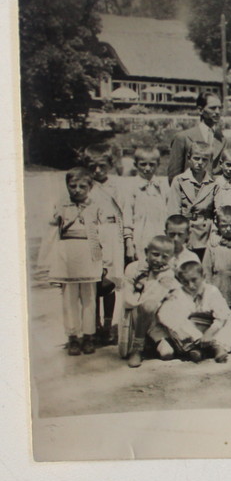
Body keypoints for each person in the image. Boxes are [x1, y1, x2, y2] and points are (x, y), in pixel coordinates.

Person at [37, 167, 108, 356]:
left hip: (89, 254)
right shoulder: (61, 206)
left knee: (89, 298)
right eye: (72, 186)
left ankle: (88, 336)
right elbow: (51, 234)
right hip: (67, 255)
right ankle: (73, 337)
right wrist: (46, 261)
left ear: (90, 187)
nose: (77, 190)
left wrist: (106, 259)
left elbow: (104, 233)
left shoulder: (97, 205)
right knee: (69, 299)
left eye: (82, 186)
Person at [83, 143, 124, 345]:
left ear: (110, 164)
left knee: (110, 282)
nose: (97, 171)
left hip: (111, 235)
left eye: (102, 166)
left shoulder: (116, 186)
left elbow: (123, 214)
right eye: (93, 167)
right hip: (92, 235)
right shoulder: (85, 186)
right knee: (93, 281)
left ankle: (108, 325)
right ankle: (94, 325)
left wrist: (126, 240)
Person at [156, 261, 231, 363]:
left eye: (194, 280)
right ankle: (195, 349)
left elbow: (222, 315)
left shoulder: (212, 291)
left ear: (203, 276)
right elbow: (163, 314)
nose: (190, 285)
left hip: (212, 330)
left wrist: (209, 333)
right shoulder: (178, 293)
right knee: (178, 321)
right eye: (185, 282)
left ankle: (218, 347)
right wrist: (178, 329)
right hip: (192, 333)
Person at [121, 235, 179, 367]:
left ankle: (158, 341)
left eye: (165, 257)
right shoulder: (133, 268)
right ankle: (138, 347)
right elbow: (127, 296)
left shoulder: (168, 273)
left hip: (159, 316)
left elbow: (163, 296)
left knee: (167, 353)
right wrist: (139, 300)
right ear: (146, 252)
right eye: (155, 254)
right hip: (138, 310)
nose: (159, 260)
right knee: (148, 306)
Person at [166, 141, 217, 260]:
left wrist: (214, 234)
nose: (200, 163)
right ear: (189, 158)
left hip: (205, 235)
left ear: (209, 161)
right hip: (185, 233)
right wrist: (178, 235)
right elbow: (173, 211)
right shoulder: (179, 180)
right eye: (196, 158)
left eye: (204, 159)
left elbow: (216, 212)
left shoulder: (213, 183)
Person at [122, 146, 169, 264]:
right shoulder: (130, 187)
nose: (147, 168)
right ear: (135, 164)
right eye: (143, 164)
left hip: (159, 234)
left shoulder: (163, 186)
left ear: (158, 164)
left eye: (152, 164)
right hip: (140, 236)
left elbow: (168, 212)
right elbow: (127, 215)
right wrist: (129, 243)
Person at [167, 92, 226, 184]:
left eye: (220, 108)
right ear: (200, 110)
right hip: (189, 194)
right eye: (213, 108)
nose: (218, 112)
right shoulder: (183, 137)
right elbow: (174, 177)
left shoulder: (222, 139)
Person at [202, 206, 231, 308]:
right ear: (217, 225)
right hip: (219, 287)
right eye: (224, 226)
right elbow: (206, 270)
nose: (228, 229)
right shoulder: (213, 244)